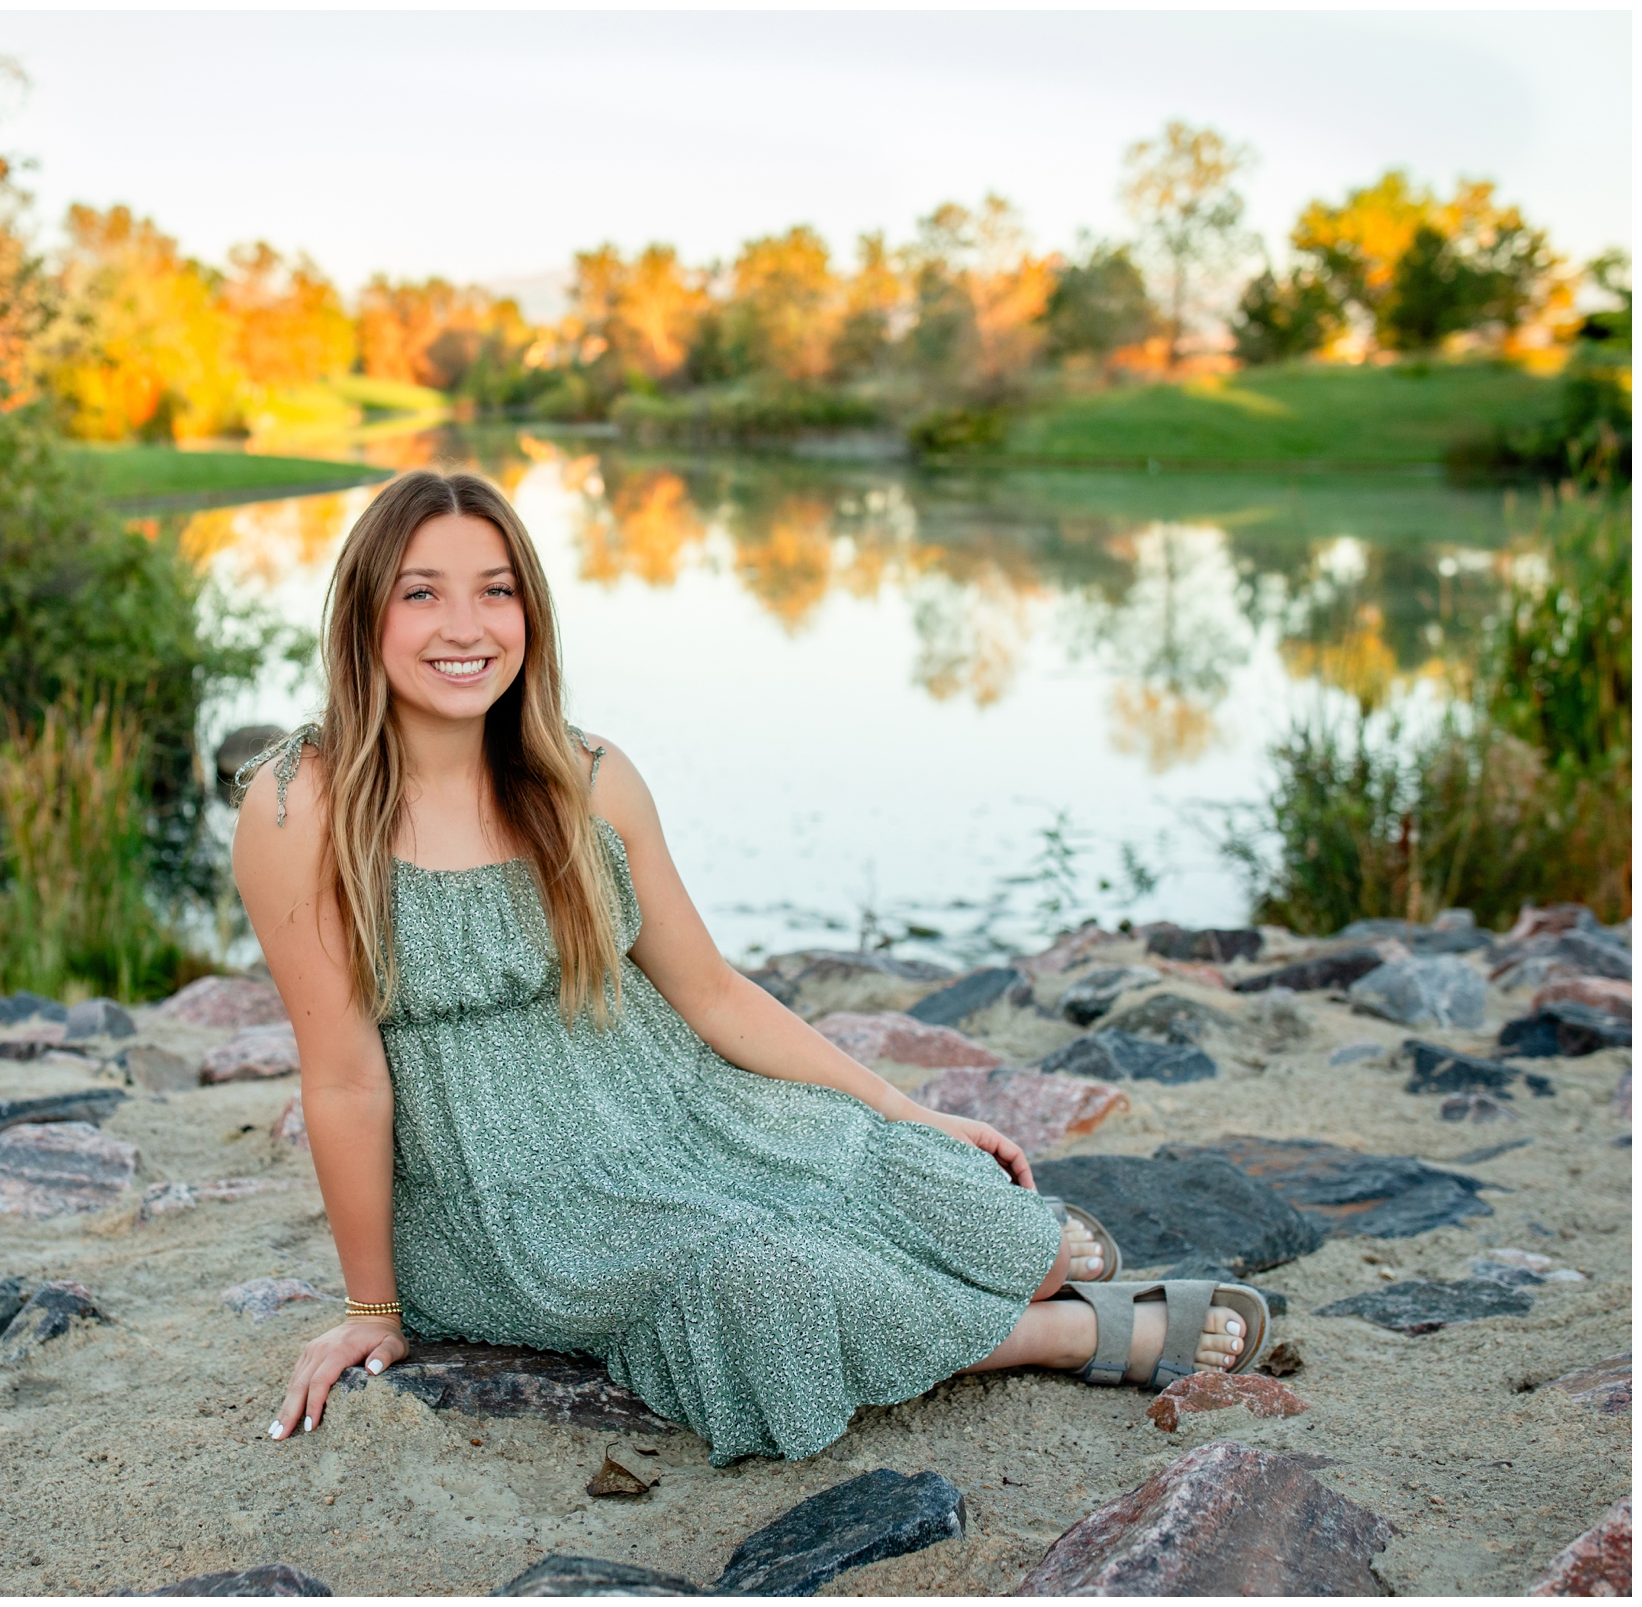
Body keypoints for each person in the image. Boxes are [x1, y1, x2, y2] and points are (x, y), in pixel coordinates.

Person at [230, 469, 1271, 1465]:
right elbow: (345, 1074)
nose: (465, 626)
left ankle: (1000, 1270)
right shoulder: (299, 801)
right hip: (508, 1206)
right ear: (367, 613)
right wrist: (371, 1308)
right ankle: (1062, 1337)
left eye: (495, 591)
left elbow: (711, 991)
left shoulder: (586, 776)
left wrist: (906, 1112)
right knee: (761, 1287)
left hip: (676, 1116)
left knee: (968, 1198)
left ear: (530, 615)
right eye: (423, 593)